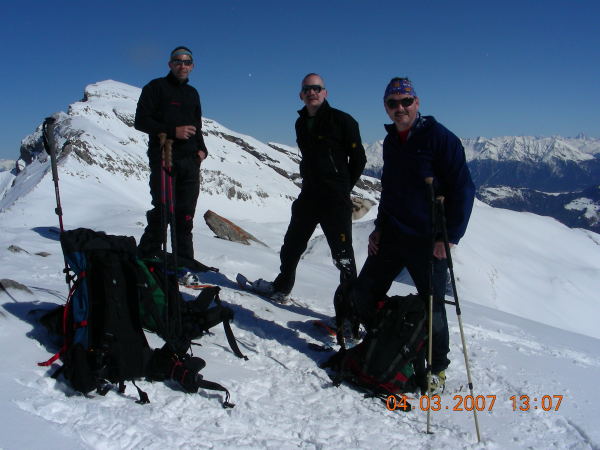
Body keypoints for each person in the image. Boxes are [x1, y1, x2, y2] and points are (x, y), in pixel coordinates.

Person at [351, 77, 475, 392]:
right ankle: (386, 338)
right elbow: (390, 190)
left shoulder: (441, 139)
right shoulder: (392, 141)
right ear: (386, 107)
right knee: (364, 292)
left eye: (406, 101)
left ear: (417, 103)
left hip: (428, 239)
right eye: (393, 103)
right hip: (393, 233)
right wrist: (379, 228)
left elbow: (463, 189)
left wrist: (450, 237)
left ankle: (437, 368)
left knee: (433, 307)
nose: (400, 108)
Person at [253, 73, 366, 303]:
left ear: (325, 92)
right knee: (291, 246)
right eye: (307, 89)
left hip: (335, 199)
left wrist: (342, 188)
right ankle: (282, 287)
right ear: (301, 95)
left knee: (343, 255)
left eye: (316, 88)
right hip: (309, 195)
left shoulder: (343, 121)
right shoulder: (301, 123)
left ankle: (350, 308)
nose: (311, 92)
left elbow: (359, 160)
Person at [134, 46, 208, 274]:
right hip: (164, 158)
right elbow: (141, 121)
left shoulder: (192, 93)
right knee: (163, 211)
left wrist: (202, 150)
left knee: (185, 216)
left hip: (190, 161)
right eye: (178, 61)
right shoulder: (155, 88)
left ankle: (184, 264)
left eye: (187, 62)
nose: (182, 65)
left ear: (192, 66)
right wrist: (172, 131)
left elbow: (197, 125)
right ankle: (147, 257)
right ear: (170, 64)